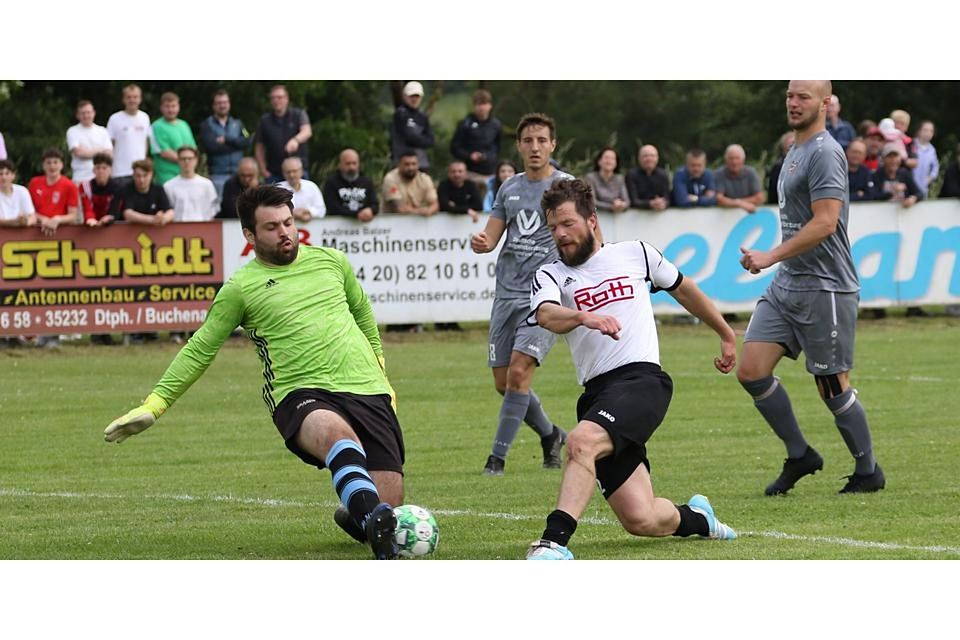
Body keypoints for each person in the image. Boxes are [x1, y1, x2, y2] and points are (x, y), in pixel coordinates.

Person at [102, 185, 405, 560]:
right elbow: (200, 348)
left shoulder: (332, 261)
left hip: (365, 387)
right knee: (336, 438)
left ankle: (358, 514)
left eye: (289, 223)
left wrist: (380, 368)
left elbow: (361, 312)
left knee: (386, 508)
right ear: (249, 235)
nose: (285, 233)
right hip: (300, 392)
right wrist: (155, 404)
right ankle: (373, 525)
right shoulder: (240, 289)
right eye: (272, 226)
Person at [524, 178, 737, 560]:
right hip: (597, 394)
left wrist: (724, 332)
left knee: (580, 443)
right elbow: (545, 315)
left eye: (568, 224)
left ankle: (553, 543)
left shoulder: (636, 253)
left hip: (642, 382)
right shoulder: (550, 274)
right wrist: (583, 317)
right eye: (553, 227)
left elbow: (683, 288)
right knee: (641, 518)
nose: (560, 234)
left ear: (591, 220)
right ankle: (699, 519)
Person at [738, 80, 885, 496]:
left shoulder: (824, 151)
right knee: (751, 370)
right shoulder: (795, 149)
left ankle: (868, 471)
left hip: (826, 287)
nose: (794, 102)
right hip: (789, 284)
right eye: (789, 95)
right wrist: (777, 261)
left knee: (831, 386)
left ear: (826, 103)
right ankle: (800, 453)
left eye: (803, 96)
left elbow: (825, 222)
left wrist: (771, 255)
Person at [470, 112, 572, 476]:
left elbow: (588, 237)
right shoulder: (509, 188)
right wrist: (481, 242)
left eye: (542, 140)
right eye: (528, 140)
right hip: (505, 296)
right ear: (518, 145)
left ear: (553, 144)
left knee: (518, 374)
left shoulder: (566, 188)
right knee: (505, 383)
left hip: (543, 296)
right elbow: (491, 237)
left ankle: (496, 459)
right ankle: (551, 434)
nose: (535, 147)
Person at [198, 89, 252, 198]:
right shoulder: (206, 125)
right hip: (218, 175)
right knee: (221, 211)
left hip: (240, 175)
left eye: (225, 102)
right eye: (219, 103)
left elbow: (247, 142)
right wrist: (237, 145)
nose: (222, 106)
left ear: (229, 104)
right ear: (213, 106)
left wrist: (227, 140)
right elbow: (211, 147)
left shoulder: (237, 124)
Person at [254, 85, 312, 184]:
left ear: (286, 99)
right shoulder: (265, 120)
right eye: (273, 98)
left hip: (298, 171)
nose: (276, 100)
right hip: (274, 173)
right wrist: (263, 171)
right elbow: (259, 147)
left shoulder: (298, 114)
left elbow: (307, 131)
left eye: (280, 97)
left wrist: (295, 140)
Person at [450, 89, 501, 191]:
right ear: (474, 106)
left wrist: (486, 156)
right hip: (470, 173)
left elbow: (497, 148)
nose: (481, 107)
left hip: (489, 172)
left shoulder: (496, 125)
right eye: (478, 104)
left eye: (484, 104)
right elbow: (454, 147)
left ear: (490, 105)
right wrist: (469, 155)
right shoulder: (465, 124)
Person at [28, 148, 80, 237]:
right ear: (43, 165)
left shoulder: (70, 186)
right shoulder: (34, 183)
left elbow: (73, 215)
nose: (52, 166)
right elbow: (28, 210)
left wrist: (57, 219)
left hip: (61, 231)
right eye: (48, 162)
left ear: (61, 165)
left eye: (55, 162)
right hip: (36, 230)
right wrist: (43, 219)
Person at [109, 158, 175, 227]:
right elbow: (128, 214)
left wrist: (163, 218)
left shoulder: (158, 189)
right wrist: (152, 220)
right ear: (133, 176)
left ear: (151, 175)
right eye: (138, 176)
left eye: (145, 175)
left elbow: (171, 212)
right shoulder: (126, 189)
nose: (141, 180)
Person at [107, 84, 152, 180]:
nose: (132, 100)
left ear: (140, 99)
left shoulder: (145, 117)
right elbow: (109, 146)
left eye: (135, 97)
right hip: (120, 172)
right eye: (129, 97)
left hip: (140, 173)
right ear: (123, 99)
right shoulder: (115, 119)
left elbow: (145, 142)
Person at [151, 92, 197, 185]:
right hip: (167, 177)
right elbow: (165, 153)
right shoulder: (156, 126)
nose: (170, 109)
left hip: (187, 176)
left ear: (178, 107)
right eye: (167, 106)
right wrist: (187, 161)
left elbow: (193, 149)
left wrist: (189, 165)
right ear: (161, 108)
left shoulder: (184, 125)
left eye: (173, 106)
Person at [322, 148, 379, 222]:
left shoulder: (367, 182)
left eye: (354, 163)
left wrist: (370, 210)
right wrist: (356, 214)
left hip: (364, 227)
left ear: (359, 164)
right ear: (340, 164)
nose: (351, 167)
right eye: (348, 163)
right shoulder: (331, 183)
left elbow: (375, 204)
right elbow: (332, 207)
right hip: (337, 228)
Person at [163, 146, 219, 222]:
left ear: (196, 160)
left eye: (190, 158)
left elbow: (213, 209)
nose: (187, 161)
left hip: (202, 228)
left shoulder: (207, 184)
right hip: (177, 229)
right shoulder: (168, 186)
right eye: (183, 159)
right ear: (178, 160)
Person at [390, 81, 434, 171]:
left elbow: (431, 140)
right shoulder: (400, 114)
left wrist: (418, 139)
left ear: (421, 97)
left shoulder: (423, 116)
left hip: (421, 163)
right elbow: (409, 137)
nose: (414, 99)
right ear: (405, 96)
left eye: (417, 96)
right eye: (411, 96)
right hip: (403, 163)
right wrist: (422, 140)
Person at [66, 100, 113, 184]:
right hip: (80, 178)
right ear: (77, 115)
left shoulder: (102, 131)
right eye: (83, 113)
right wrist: (101, 150)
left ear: (94, 113)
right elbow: (79, 153)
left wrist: (87, 151)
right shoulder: (72, 131)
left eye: (88, 112)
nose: (86, 115)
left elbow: (109, 154)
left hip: (101, 179)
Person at [380, 152, 438, 216]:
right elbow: (399, 209)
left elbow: (435, 204)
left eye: (414, 164)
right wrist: (420, 211)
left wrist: (429, 211)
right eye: (406, 164)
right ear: (399, 165)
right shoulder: (390, 178)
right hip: (392, 220)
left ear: (418, 165)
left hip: (415, 220)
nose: (411, 168)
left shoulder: (425, 179)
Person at [714, 144, 765, 212]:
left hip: (748, 215)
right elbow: (719, 199)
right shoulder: (719, 174)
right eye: (731, 158)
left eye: (737, 158)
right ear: (726, 160)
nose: (734, 162)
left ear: (743, 159)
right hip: (724, 215)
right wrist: (740, 203)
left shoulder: (751, 173)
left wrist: (735, 202)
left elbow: (759, 198)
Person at [277, 156, 325, 222]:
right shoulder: (278, 189)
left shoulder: (311, 186)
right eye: (288, 172)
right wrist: (293, 214)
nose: (291, 175)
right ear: (283, 173)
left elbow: (322, 210)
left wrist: (309, 212)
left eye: (294, 171)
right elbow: (275, 212)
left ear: (301, 171)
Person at [583, 147, 630, 212]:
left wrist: (621, 205)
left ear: (616, 163)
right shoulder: (590, 178)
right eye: (606, 158)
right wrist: (611, 207)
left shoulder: (620, 178)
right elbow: (592, 202)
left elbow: (627, 202)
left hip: (616, 218)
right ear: (599, 161)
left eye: (612, 158)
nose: (609, 161)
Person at [625, 144, 670, 211]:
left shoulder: (663, 175)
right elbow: (633, 201)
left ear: (657, 158)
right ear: (639, 158)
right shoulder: (631, 175)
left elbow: (667, 198)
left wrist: (663, 203)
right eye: (645, 156)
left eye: (652, 156)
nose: (649, 159)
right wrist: (650, 204)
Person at [81, 153, 121, 226]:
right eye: (98, 168)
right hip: (90, 225)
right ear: (93, 170)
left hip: (110, 225)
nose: (101, 171)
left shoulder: (118, 187)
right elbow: (87, 207)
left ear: (110, 170)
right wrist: (90, 218)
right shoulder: (85, 186)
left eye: (104, 168)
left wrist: (108, 218)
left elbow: (115, 209)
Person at [0, 159, 36, 228]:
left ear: (13, 175)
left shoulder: (22, 191)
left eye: (7, 173)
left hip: (21, 236)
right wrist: (15, 222)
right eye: (0, 174)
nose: (4, 177)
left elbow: (32, 217)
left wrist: (26, 222)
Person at [765, 132, 794, 205]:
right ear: (784, 148)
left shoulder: (806, 162)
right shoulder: (778, 166)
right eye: (790, 146)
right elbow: (773, 191)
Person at [911, 120, 938, 198]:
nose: (928, 133)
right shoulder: (911, 145)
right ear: (919, 131)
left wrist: (929, 179)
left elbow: (935, 168)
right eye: (925, 130)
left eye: (931, 131)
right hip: (908, 188)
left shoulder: (932, 150)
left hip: (923, 189)